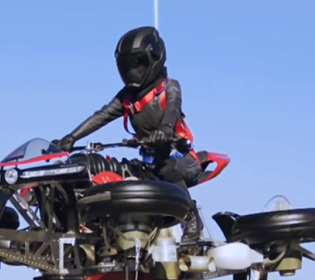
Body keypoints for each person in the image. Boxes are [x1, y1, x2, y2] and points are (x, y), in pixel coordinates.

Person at [51, 25, 204, 243]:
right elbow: (101, 115)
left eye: (139, 66)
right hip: (151, 160)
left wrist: (164, 131)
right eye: (128, 66)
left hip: (181, 159)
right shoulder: (127, 97)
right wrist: (71, 138)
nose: (134, 72)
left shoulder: (170, 87)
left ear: (155, 59)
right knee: (126, 174)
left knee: (166, 168)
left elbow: (172, 111)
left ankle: (191, 217)